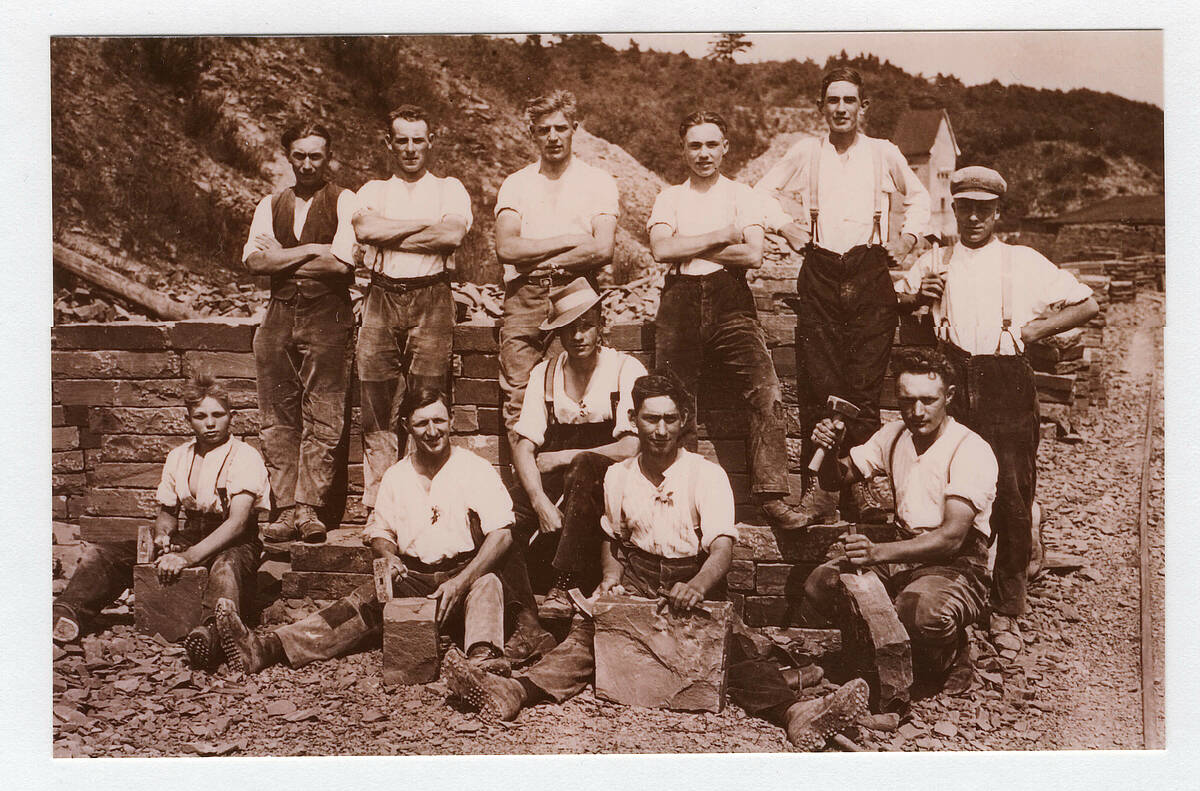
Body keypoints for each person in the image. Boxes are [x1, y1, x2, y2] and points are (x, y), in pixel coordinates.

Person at [440, 373, 870, 751]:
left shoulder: (706, 475)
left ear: (683, 421)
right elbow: (614, 539)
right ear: (635, 420)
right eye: (650, 419)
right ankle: (512, 692)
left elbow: (721, 549)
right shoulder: (618, 476)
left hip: (694, 577)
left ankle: (797, 715)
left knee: (728, 654)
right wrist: (611, 579)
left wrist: (696, 587)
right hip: (641, 576)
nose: (660, 430)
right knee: (586, 639)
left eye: (669, 419)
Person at [895, 166, 1098, 649]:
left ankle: (1009, 601)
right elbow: (896, 298)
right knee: (955, 485)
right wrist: (915, 300)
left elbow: (1086, 305)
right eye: (965, 208)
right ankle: (961, 584)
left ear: (997, 213)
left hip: (1006, 381)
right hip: (954, 382)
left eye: (983, 210)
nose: (973, 218)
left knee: (1011, 490)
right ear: (956, 210)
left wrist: (1035, 332)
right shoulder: (935, 259)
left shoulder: (1022, 261)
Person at [215, 388, 513, 675]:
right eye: (422, 423)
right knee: (353, 606)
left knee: (488, 583)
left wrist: (461, 582)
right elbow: (381, 531)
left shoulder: (475, 468)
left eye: (439, 421)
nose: (432, 431)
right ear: (407, 426)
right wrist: (389, 555)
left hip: (462, 575)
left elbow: (502, 535)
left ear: (451, 422)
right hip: (413, 580)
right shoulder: (397, 476)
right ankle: (266, 648)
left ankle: (481, 664)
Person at [754, 67, 931, 523]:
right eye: (832, 100)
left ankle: (858, 485)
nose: (840, 109)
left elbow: (921, 199)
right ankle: (822, 490)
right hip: (820, 269)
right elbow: (759, 195)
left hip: (871, 270)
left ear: (862, 107)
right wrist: (787, 226)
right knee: (820, 381)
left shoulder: (884, 153)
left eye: (849, 100)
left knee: (864, 383)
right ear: (821, 107)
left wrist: (909, 240)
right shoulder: (805, 153)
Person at [801, 348, 999, 693]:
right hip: (905, 551)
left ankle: (952, 652)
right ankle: (878, 650)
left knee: (922, 614)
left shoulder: (970, 449)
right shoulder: (893, 436)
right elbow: (837, 478)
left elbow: (952, 537)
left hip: (957, 563)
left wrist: (877, 553)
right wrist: (831, 451)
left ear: (948, 396)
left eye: (928, 400)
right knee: (821, 584)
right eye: (907, 401)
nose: (917, 412)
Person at [648, 110, 809, 529]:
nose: (703, 154)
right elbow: (661, 250)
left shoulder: (742, 195)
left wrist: (688, 245)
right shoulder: (670, 198)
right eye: (694, 145)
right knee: (674, 401)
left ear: (725, 148)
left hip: (730, 298)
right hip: (679, 301)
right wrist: (722, 234)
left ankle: (772, 497)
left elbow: (752, 254)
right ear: (683, 149)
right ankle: (676, 498)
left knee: (765, 389)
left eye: (711, 145)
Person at [52, 374, 270, 671]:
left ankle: (213, 634)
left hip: (235, 541)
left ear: (231, 417)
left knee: (225, 568)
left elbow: (238, 523)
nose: (210, 423)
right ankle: (68, 612)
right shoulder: (179, 456)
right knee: (104, 554)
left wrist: (185, 557)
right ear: (188, 419)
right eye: (200, 416)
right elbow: (168, 512)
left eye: (218, 415)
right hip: (192, 535)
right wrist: (163, 538)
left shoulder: (244, 456)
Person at [329, 105, 472, 529]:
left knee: (428, 401)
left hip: (432, 298)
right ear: (389, 143)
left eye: (418, 140)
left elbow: (452, 235)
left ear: (431, 142)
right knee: (376, 404)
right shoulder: (372, 189)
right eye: (402, 140)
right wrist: (424, 228)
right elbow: (366, 232)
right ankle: (377, 505)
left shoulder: (450, 188)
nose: (410, 149)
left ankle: (421, 502)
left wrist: (394, 229)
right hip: (382, 295)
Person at [507, 277, 645, 638]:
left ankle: (563, 580)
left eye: (586, 326)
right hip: (558, 481)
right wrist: (538, 501)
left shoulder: (624, 369)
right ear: (558, 335)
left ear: (601, 325)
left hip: (611, 478)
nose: (579, 336)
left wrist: (563, 457)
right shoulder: (546, 373)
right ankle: (525, 621)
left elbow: (631, 447)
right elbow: (524, 446)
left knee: (584, 468)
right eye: (569, 330)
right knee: (502, 520)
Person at [243, 121, 356, 543]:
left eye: (316, 156)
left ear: (329, 157)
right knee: (277, 414)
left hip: (328, 314)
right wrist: (311, 249)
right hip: (278, 314)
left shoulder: (345, 200)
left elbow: (342, 265)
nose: (307, 164)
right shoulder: (271, 203)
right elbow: (254, 262)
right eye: (300, 155)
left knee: (324, 413)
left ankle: (311, 508)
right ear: (288, 156)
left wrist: (283, 256)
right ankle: (286, 508)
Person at [494, 90, 619, 449]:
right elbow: (507, 248)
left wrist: (539, 254)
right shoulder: (517, 183)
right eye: (543, 129)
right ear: (532, 133)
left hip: (575, 294)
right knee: (518, 398)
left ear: (574, 129)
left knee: (569, 393)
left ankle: (566, 496)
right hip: (524, 297)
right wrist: (569, 239)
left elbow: (602, 247)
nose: (552, 137)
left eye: (560, 128)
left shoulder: (597, 181)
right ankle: (528, 499)